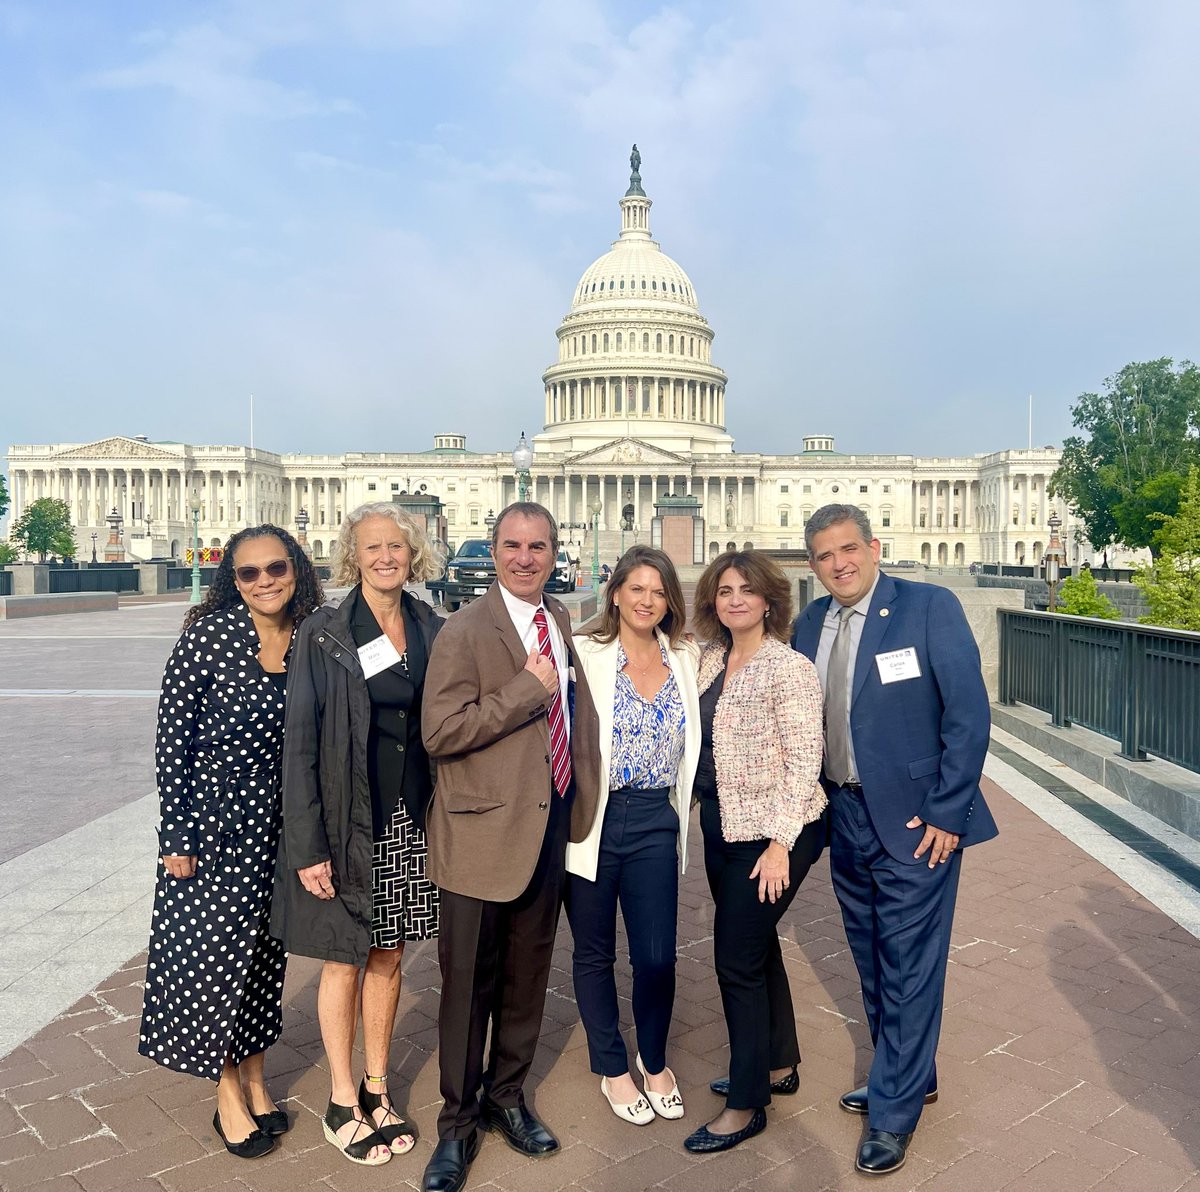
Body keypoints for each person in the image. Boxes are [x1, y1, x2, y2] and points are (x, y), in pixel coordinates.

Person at [791, 505, 997, 1177]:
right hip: (845, 814)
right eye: (825, 555)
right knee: (873, 955)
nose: (840, 563)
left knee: (909, 960)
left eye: (849, 548)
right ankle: (908, 1073)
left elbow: (968, 714)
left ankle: (894, 1111)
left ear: (874, 548)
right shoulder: (809, 623)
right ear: (814, 564)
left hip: (918, 819)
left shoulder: (928, 607)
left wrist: (948, 810)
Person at [420, 502, 600, 1192]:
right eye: (513, 546)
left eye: (539, 546)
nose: (526, 557)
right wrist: (526, 691)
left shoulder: (557, 620)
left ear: (556, 552)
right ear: (494, 551)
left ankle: (507, 1097)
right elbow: (441, 732)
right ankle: (457, 1125)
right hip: (479, 833)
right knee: (468, 986)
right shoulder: (464, 629)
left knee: (528, 980)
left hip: (547, 824)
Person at [139, 525, 324, 1159]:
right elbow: (174, 742)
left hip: (278, 824)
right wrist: (177, 835)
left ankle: (256, 1078)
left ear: (295, 568)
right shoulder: (208, 636)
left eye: (276, 567)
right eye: (248, 573)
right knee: (214, 963)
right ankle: (225, 1095)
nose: (265, 581)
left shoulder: (308, 634)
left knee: (263, 961)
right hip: (215, 826)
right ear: (232, 579)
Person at [273, 503, 445, 1168]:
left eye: (395, 547)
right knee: (344, 955)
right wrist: (307, 845)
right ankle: (342, 1098)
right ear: (354, 554)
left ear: (412, 554)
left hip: (409, 815)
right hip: (349, 816)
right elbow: (300, 748)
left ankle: (377, 1084)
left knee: (389, 954)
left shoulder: (431, 624)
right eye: (372, 547)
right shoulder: (322, 633)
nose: (384, 557)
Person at [684, 550, 827, 1154]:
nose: (735, 599)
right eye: (723, 590)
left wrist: (780, 845)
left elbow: (804, 764)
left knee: (735, 959)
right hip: (722, 826)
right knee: (758, 944)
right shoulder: (712, 659)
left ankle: (746, 1103)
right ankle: (777, 1062)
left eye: (747, 589)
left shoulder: (788, 668)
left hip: (777, 832)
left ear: (770, 599)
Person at [565, 545, 700, 1126]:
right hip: (592, 816)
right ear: (614, 592)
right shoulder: (584, 653)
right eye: (636, 588)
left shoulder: (689, 658)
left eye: (658, 590)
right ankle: (612, 1067)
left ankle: (654, 1057)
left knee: (656, 955)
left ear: (670, 600)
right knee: (593, 951)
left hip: (655, 818)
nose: (647, 600)